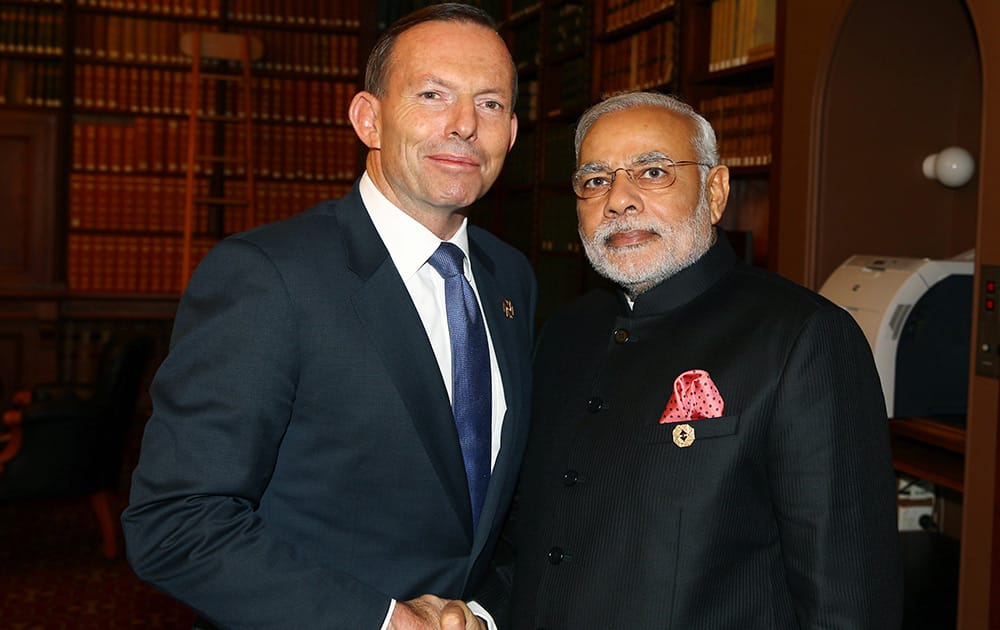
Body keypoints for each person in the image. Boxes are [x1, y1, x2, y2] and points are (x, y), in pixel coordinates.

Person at [121, 4, 536, 629]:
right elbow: (175, 522)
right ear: (368, 118)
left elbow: (500, 509)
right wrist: (383, 621)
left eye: (490, 104)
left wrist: (482, 608)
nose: (463, 126)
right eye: (432, 94)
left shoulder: (513, 279)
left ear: (510, 132)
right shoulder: (268, 276)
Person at [497, 91, 903, 628]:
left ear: (714, 192)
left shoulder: (804, 338)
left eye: (653, 172)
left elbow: (849, 599)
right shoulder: (562, 333)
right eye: (595, 180)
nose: (619, 199)